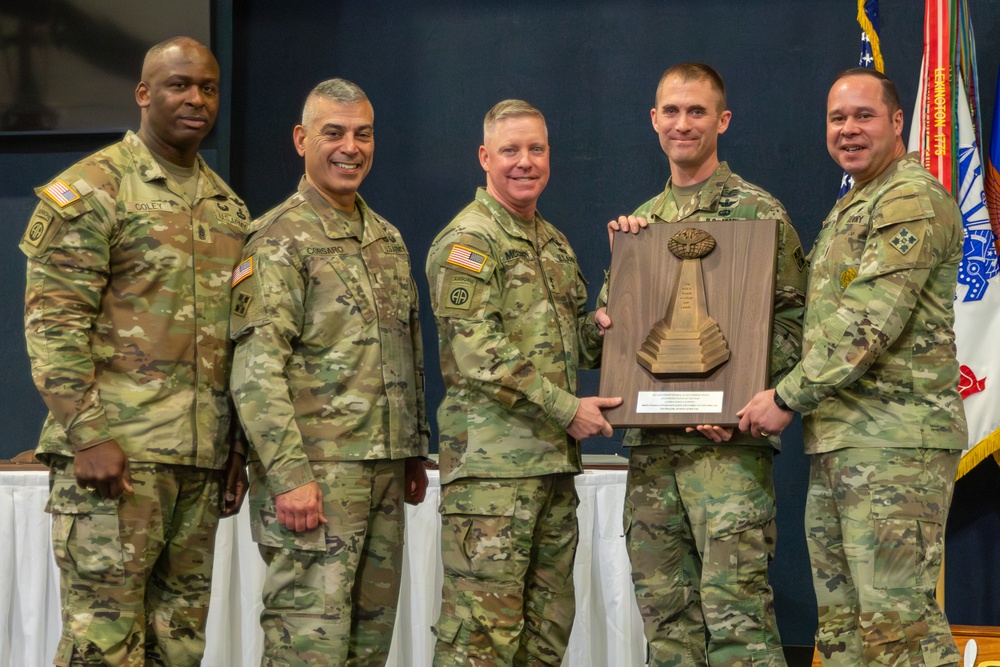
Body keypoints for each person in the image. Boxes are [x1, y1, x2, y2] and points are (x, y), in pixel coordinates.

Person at [20, 37, 249, 666]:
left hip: (197, 468)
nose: (196, 99)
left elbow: (233, 343)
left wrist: (233, 446)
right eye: (178, 85)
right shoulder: (92, 188)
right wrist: (88, 435)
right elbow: (53, 322)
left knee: (179, 648)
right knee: (103, 647)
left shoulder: (228, 208)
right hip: (117, 463)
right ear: (144, 94)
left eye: (208, 86)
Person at [738, 68, 967, 666]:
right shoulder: (856, 203)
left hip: (895, 445)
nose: (848, 129)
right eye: (838, 118)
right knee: (844, 632)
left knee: (899, 628)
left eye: (864, 116)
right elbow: (816, 321)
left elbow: (869, 323)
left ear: (897, 122)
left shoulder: (909, 198)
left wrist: (783, 398)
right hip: (843, 439)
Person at [597, 63, 806, 667]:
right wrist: (608, 315)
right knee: (667, 625)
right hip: (653, 457)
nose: (682, 123)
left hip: (727, 455)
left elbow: (795, 324)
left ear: (723, 120)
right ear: (654, 120)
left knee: (737, 622)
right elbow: (619, 332)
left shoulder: (760, 215)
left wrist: (740, 401)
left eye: (696, 111)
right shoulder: (638, 226)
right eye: (671, 111)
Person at [229, 77, 429, 667]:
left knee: (368, 650)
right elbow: (255, 367)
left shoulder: (385, 238)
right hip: (316, 478)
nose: (350, 147)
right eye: (333, 133)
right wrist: (288, 474)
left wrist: (413, 450)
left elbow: (404, 351)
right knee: (306, 649)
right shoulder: (277, 239)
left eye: (362, 134)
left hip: (384, 473)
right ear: (301, 139)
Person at [425, 99, 619, 665]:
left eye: (536, 148)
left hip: (552, 471)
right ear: (485, 157)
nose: (524, 161)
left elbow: (578, 345)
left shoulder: (552, 243)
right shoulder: (470, 240)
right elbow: (476, 352)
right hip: (493, 475)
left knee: (546, 637)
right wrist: (567, 410)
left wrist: (626, 281)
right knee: (481, 642)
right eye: (510, 150)